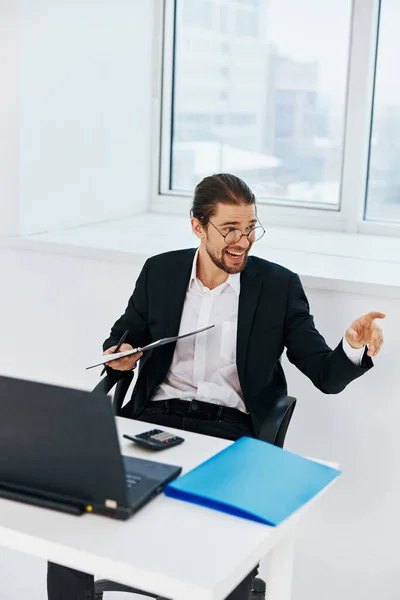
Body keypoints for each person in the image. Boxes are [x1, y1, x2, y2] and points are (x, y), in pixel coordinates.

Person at [47, 173, 385, 600]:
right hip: (152, 422)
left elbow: (324, 373)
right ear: (197, 225)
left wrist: (352, 348)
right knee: (71, 524)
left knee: (228, 554)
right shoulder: (161, 272)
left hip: (231, 438)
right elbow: (121, 338)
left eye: (249, 228)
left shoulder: (279, 287)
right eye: (229, 230)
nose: (242, 241)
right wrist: (122, 352)